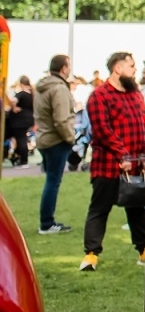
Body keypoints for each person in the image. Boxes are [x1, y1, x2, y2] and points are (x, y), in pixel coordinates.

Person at [80, 52, 145, 271]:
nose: (135, 70)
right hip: (108, 165)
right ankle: (91, 255)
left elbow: (144, 125)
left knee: (137, 209)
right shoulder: (99, 95)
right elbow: (101, 130)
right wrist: (122, 155)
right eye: (131, 66)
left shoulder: (135, 94)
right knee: (100, 209)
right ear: (117, 68)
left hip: (135, 166)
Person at [34, 55, 76, 235]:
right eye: (69, 66)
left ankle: (46, 221)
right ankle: (47, 223)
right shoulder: (58, 89)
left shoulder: (43, 86)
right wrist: (70, 138)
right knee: (53, 182)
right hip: (56, 140)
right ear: (63, 68)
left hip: (44, 138)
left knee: (51, 180)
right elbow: (61, 119)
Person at [6, 76, 33, 167]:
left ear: (21, 84)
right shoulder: (32, 94)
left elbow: (13, 101)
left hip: (19, 120)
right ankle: (20, 158)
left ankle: (23, 161)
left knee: (21, 139)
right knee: (22, 139)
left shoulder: (21, 94)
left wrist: (13, 107)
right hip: (28, 119)